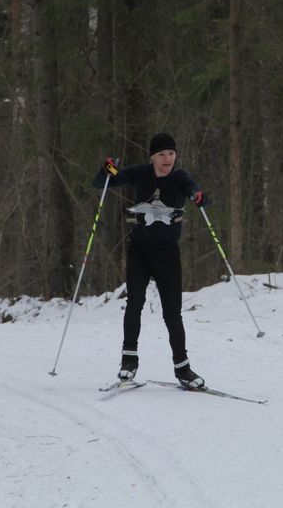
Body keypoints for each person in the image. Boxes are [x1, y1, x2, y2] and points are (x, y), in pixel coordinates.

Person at [93, 132, 208, 389]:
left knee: (172, 314)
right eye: (162, 154)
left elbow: (197, 192)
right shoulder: (140, 173)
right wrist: (107, 168)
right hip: (140, 252)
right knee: (134, 304)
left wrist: (197, 196)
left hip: (167, 254)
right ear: (152, 157)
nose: (167, 159)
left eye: (171, 153)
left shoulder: (180, 178)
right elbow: (102, 182)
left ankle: (183, 369)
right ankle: (128, 361)